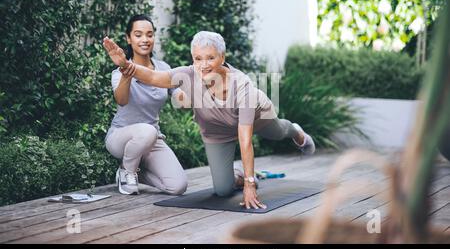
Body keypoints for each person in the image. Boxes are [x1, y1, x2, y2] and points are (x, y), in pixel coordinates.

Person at [103, 31, 315, 208]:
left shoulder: (242, 86)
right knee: (223, 190)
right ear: (192, 58)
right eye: (197, 58)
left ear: (222, 57)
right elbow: (152, 77)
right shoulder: (188, 74)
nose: (203, 65)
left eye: (210, 58)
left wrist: (250, 186)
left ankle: (296, 131)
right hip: (217, 131)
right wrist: (124, 65)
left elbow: (245, 140)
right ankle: (239, 174)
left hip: (257, 119)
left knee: (278, 132)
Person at [104, 14, 188, 196]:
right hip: (121, 137)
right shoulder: (119, 71)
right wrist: (127, 71)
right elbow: (121, 100)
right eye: (138, 34)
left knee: (178, 186)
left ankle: (136, 174)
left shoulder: (164, 68)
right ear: (128, 38)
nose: (145, 39)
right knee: (147, 131)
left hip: (153, 139)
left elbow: (179, 97)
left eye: (149, 34)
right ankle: (127, 170)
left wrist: (192, 95)